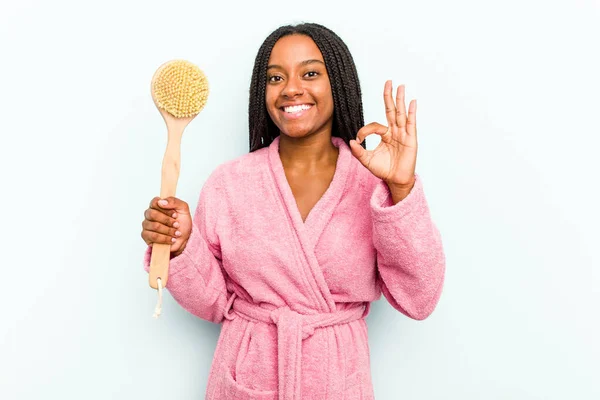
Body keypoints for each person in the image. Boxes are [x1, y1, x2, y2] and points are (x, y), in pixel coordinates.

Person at [141, 22, 445, 400]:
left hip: (337, 382)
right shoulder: (229, 183)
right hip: (246, 378)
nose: (291, 88)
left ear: (339, 83)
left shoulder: (371, 184)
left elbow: (419, 299)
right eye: (275, 77)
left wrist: (400, 188)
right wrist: (182, 245)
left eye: (311, 73)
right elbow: (214, 303)